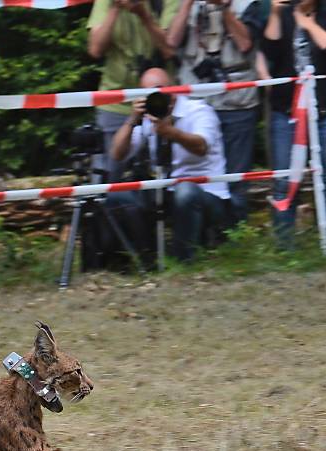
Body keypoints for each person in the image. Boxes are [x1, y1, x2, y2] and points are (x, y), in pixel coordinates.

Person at [109, 68, 230, 261]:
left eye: (160, 90)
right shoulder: (150, 118)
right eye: (148, 94)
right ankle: (146, 258)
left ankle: (183, 260)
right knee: (118, 196)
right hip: (166, 191)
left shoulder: (199, 111)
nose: (157, 97)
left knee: (185, 191)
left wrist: (170, 132)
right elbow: (117, 154)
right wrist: (132, 120)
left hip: (208, 194)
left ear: (174, 88)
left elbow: (201, 146)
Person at [167, 0, 266, 225]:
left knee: (236, 177)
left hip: (236, 101)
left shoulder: (247, 4)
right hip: (196, 98)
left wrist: (223, 8)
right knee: (193, 171)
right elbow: (171, 42)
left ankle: (235, 234)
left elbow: (245, 43)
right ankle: (200, 234)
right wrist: (186, 4)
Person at [261, 0, 326, 248]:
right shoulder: (282, 16)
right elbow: (269, 50)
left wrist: (308, 24)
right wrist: (275, 13)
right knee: (283, 181)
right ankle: (284, 246)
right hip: (285, 112)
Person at [87, 0, 178, 183]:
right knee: (112, 174)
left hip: (160, 100)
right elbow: (95, 49)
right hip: (116, 101)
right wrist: (115, 9)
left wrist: (143, 14)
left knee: (164, 173)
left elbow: (169, 49)